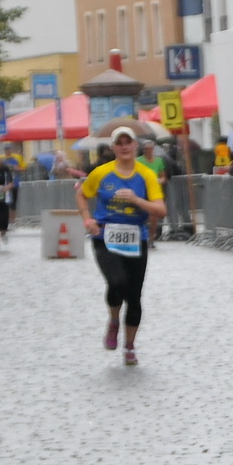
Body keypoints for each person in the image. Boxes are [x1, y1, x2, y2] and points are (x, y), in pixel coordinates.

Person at [77, 127, 167, 366]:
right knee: (116, 282)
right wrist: (87, 219)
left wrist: (137, 200)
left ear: (135, 146)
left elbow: (160, 210)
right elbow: (82, 194)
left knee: (135, 296)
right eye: (120, 143)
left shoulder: (146, 175)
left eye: (129, 142)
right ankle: (113, 320)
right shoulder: (101, 173)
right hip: (105, 237)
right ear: (113, 148)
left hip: (135, 239)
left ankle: (129, 345)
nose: (125, 146)